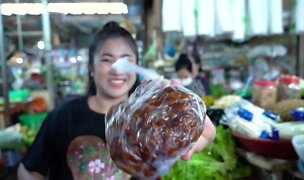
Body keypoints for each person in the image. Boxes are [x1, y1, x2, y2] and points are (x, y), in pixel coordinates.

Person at [18, 22, 215, 180]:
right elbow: (29, 171)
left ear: (136, 67)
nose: (117, 69)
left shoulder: (150, 118)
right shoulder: (64, 116)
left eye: (126, 60)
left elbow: (157, 168)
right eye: (106, 59)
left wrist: (195, 131)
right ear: (91, 66)